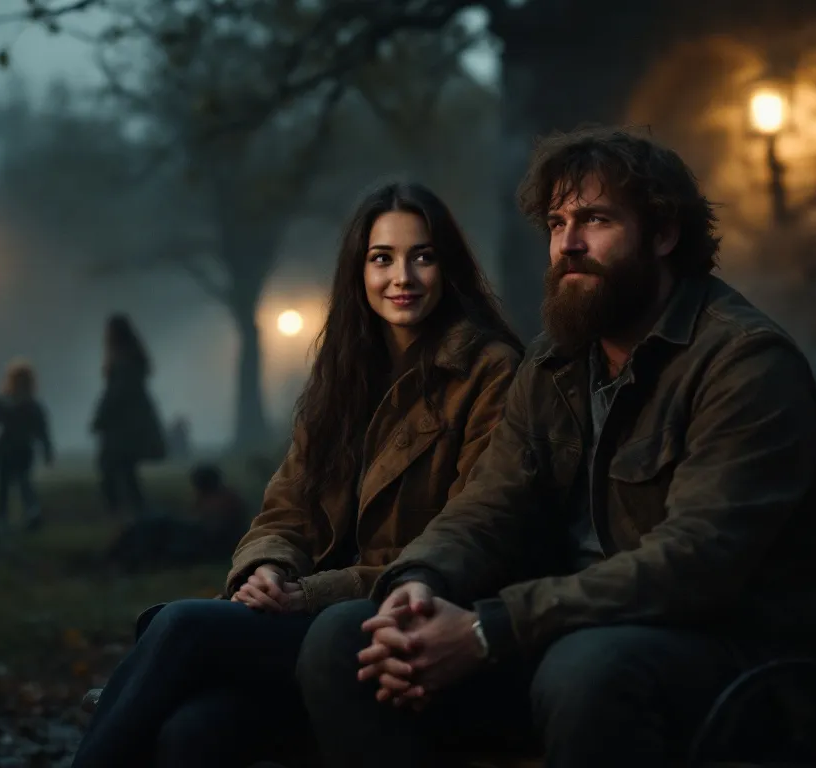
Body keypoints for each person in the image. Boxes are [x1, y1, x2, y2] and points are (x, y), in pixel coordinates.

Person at [296, 128, 816, 768]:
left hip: (731, 662)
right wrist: (417, 583)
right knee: (346, 639)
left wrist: (490, 627)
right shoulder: (555, 364)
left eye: (595, 220)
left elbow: (695, 563)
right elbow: (490, 505)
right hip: (571, 638)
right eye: (557, 223)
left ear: (663, 235)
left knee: (587, 669)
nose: (568, 245)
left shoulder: (742, 363)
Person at [71, 181, 524, 768]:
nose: (402, 277)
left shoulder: (489, 372)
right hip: (297, 618)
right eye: (381, 258)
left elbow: (467, 537)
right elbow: (284, 507)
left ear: (449, 266)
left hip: (385, 619)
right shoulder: (340, 374)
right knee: (189, 733)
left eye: (423, 256)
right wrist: (267, 567)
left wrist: (305, 593)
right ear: (358, 271)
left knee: (181, 624)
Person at [91, 314, 164, 518]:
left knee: (111, 466)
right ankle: (137, 510)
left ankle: (120, 509)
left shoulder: (123, 361)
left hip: (121, 425)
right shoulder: (132, 358)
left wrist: (101, 417)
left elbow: (116, 394)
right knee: (125, 470)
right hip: (129, 422)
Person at [0, 359, 54, 531]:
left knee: (10, 486)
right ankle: (30, 514)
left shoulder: (4, 402)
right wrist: (47, 450)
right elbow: (42, 431)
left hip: (8, 449)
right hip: (20, 449)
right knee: (21, 484)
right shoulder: (32, 405)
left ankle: (5, 518)